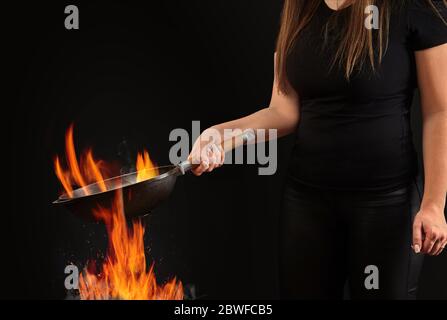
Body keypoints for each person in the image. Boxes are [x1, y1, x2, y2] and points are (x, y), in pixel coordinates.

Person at [188, 0, 447, 299]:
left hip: (386, 204)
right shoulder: (299, 7)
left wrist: (433, 205)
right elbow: (283, 111)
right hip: (307, 203)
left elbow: (439, 111)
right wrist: (219, 136)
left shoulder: (413, 7)